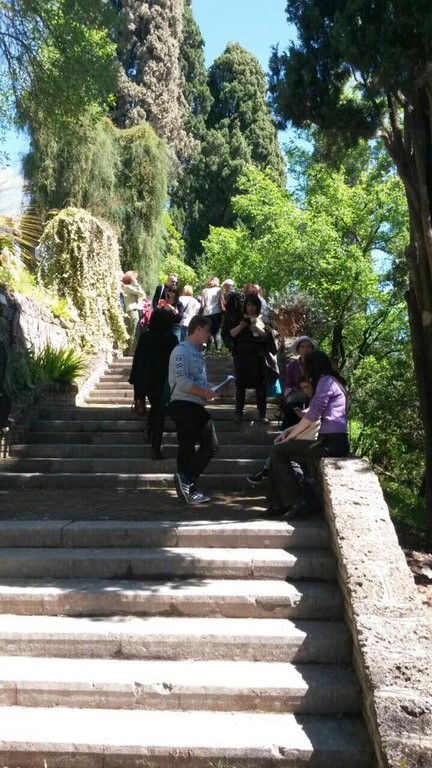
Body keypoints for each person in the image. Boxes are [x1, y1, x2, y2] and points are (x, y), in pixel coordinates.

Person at [266, 349, 349, 518]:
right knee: (279, 451)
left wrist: (290, 437)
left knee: (279, 451)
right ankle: (279, 504)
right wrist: (288, 432)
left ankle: (296, 502)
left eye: (305, 366)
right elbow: (313, 413)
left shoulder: (326, 382)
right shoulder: (333, 381)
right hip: (330, 441)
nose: (304, 370)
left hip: (332, 443)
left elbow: (313, 414)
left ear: (313, 366)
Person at [168, 315, 219, 504]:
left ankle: (187, 481)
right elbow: (182, 381)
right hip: (183, 404)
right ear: (198, 329)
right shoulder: (181, 351)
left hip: (197, 404)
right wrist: (205, 392)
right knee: (187, 446)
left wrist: (215, 389)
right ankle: (187, 487)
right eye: (207, 331)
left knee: (210, 445)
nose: (208, 335)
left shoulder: (198, 354)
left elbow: (199, 381)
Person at [128, 309, 178, 460]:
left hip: (145, 380)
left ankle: (150, 432)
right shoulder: (171, 339)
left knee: (157, 409)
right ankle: (155, 447)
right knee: (159, 411)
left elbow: (138, 360)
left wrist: (136, 385)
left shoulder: (145, 337)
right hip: (163, 381)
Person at [230, 293, 274, 424]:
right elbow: (231, 334)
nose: (251, 308)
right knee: (240, 385)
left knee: (260, 386)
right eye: (249, 305)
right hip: (241, 356)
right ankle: (238, 413)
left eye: (253, 305)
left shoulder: (263, 319)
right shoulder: (239, 318)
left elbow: (268, 336)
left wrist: (257, 329)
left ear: (257, 306)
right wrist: (241, 326)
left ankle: (262, 414)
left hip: (258, 356)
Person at [281, 335, 317, 427]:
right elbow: (288, 385)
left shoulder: (317, 365)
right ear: (298, 350)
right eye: (302, 347)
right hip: (297, 396)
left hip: (314, 395)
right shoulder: (292, 365)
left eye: (308, 346)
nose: (305, 349)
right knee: (292, 408)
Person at [121, 271, 146, 355]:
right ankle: (132, 351)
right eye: (134, 278)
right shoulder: (128, 287)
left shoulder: (127, 287)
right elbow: (141, 294)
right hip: (132, 310)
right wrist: (136, 284)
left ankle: (127, 351)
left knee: (130, 330)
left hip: (130, 310)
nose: (135, 279)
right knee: (134, 330)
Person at [200, 276, 223, 353]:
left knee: (208, 332)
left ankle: (208, 350)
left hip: (207, 313)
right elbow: (221, 302)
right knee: (217, 332)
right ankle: (218, 350)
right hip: (217, 312)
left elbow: (202, 305)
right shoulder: (218, 290)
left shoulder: (204, 291)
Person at [221, 279, 243, 351]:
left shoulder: (228, 294)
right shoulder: (239, 293)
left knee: (224, 334)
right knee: (235, 334)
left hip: (229, 317)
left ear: (228, 285)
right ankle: (237, 348)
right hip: (238, 317)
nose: (224, 287)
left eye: (224, 286)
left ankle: (232, 349)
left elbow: (225, 305)